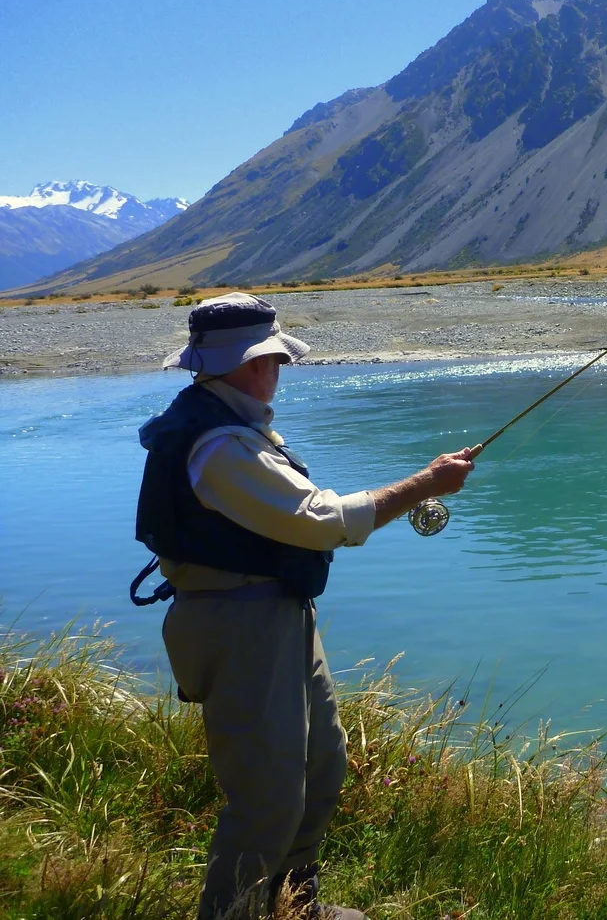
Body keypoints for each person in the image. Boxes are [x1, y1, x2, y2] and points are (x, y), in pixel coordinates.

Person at [134, 292, 478, 920]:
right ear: (252, 362)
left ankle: (294, 905)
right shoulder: (220, 446)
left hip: (274, 614)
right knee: (265, 797)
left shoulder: (228, 422)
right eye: (274, 359)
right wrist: (427, 483)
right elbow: (322, 522)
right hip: (237, 626)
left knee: (321, 767)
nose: (279, 371)